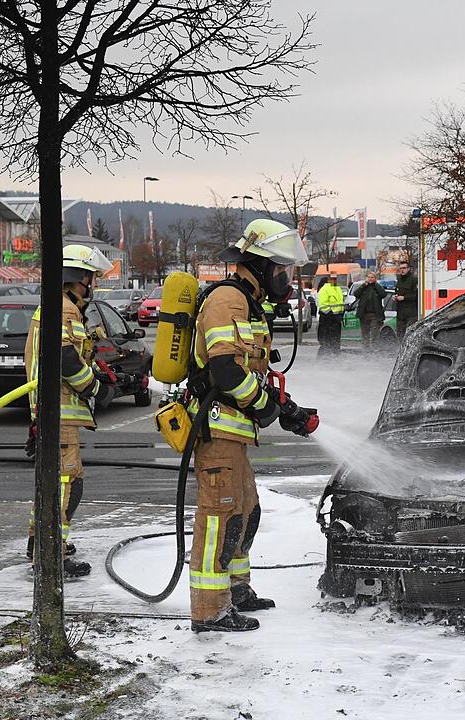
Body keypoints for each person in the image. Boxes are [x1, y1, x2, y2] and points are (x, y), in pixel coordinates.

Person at [189, 218, 316, 633]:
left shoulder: (247, 301)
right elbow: (225, 369)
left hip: (236, 433)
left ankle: (237, 589)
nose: (285, 279)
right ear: (259, 265)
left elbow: (251, 372)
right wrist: (264, 404)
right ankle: (210, 610)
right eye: (281, 270)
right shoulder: (228, 300)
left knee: (246, 512)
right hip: (219, 429)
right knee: (219, 520)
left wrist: (286, 408)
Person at [24, 244, 117, 578]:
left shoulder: (58, 308)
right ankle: (52, 557)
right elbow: (64, 359)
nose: (92, 284)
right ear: (78, 278)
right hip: (58, 414)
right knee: (66, 486)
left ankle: (42, 545)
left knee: (56, 483)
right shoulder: (64, 310)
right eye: (90, 277)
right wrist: (95, 388)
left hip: (54, 414)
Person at [353, 271, 386, 350]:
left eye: (372, 277)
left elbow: (383, 294)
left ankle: (375, 349)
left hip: (375, 315)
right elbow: (356, 294)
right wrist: (364, 285)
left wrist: (376, 284)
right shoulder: (364, 287)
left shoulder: (377, 287)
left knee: (374, 333)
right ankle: (366, 350)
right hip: (364, 315)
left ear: (375, 278)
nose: (370, 279)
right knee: (365, 334)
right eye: (369, 277)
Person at [316, 274, 345, 354]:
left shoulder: (337, 288)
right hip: (327, 318)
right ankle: (326, 358)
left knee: (335, 339)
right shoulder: (324, 289)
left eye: (335, 278)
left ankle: (335, 356)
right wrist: (331, 314)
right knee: (327, 340)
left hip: (336, 318)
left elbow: (340, 302)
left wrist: (341, 312)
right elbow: (323, 305)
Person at [392, 260, 418, 339]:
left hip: (411, 313)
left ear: (409, 269)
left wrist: (404, 298)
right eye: (400, 268)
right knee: (400, 335)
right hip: (400, 313)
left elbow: (416, 295)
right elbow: (397, 291)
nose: (402, 270)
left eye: (404, 268)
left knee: (410, 335)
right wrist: (395, 296)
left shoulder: (414, 280)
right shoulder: (399, 280)